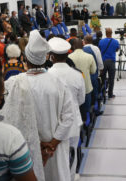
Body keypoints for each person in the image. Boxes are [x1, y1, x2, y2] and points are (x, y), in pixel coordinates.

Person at [1, 30, 75, 181]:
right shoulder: (59, 84)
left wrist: (37, 145)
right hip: (55, 149)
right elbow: (68, 118)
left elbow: (6, 118)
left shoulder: (12, 83)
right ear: (46, 57)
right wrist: (51, 146)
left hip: (24, 151)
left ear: (25, 58)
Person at [48, 38, 86, 180]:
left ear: (52, 57)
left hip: (54, 123)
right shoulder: (77, 75)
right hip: (74, 122)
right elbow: (81, 99)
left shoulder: (48, 74)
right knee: (72, 153)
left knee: (57, 157)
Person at [69, 38, 97, 120]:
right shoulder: (89, 56)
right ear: (83, 46)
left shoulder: (69, 57)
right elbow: (93, 71)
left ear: (73, 46)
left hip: (73, 89)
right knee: (85, 112)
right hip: (86, 88)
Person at [83, 35, 104, 110]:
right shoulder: (96, 48)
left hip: (84, 74)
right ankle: (95, 108)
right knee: (94, 91)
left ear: (84, 41)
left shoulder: (82, 48)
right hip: (94, 74)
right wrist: (101, 70)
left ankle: (87, 109)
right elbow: (99, 61)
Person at [99, 28, 120, 99]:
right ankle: (110, 94)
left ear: (105, 33)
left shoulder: (101, 41)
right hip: (111, 61)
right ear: (111, 33)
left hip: (103, 61)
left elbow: (100, 50)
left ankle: (103, 93)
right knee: (111, 79)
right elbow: (117, 49)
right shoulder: (116, 41)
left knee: (103, 78)